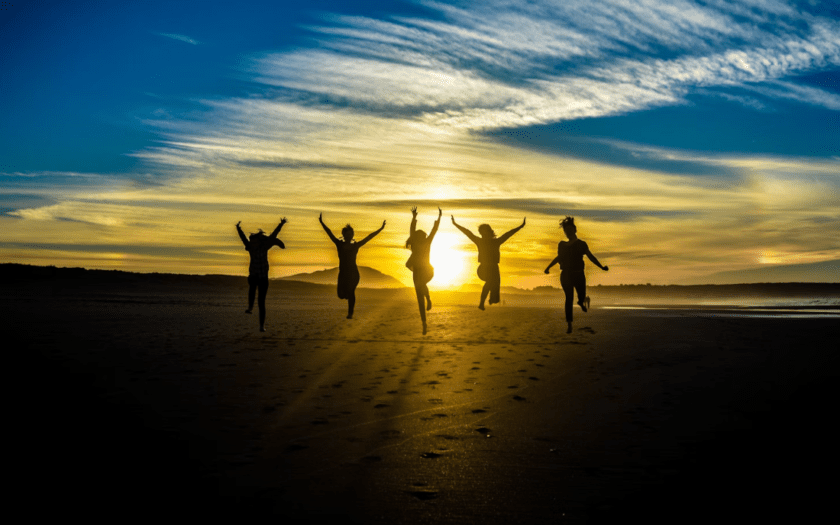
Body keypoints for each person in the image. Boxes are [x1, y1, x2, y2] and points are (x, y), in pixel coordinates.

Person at [544, 216, 608, 334]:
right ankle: (569, 324)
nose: (567, 233)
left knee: (582, 295)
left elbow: (591, 256)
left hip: (579, 274)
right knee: (569, 298)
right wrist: (548, 267)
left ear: (575, 230)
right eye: (566, 231)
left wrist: (601, 267)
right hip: (566, 275)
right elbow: (559, 258)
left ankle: (580, 302)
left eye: (569, 230)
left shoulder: (582, 244)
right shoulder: (562, 245)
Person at [319, 213, 386, 319]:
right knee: (341, 295)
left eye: (350, 234)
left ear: (352, 236)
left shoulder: (355, 246)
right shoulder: (339, 244)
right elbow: (330, 233)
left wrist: (381, 228)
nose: (349, 236)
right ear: (343, 235)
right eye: (347, 234)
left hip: (353, 274)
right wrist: (321, 222)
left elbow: (369, 237)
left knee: (351, 292)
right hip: (343, 274)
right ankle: (348, 296)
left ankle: (350, 313)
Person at [452, 215, 525, 310]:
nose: (482, 234)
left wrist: (520, 226)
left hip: (494, 268)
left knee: (494, 285)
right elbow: (467, 232)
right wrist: (455, 224)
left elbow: (508, 234)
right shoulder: (479, 241)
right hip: (483, 269)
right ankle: (482, 303)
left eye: (483, 231)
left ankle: (490, 300)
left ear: (488, 232)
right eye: (481, 232)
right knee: (490, 282)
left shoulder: (496, 242)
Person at [236, 218, 286, 332]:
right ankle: (250, 307)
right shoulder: (250, 248)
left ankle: (261, 326)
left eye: (253, 241)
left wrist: (281, 224)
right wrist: (238, 228)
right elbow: (243, 238)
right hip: (254, 276)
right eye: (251, 241)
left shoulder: (264, 247)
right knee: (252, 288)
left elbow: (273, 236)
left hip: (263, 278)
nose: (251, 243)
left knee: (261, 302)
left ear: (258, 241)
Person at [406, 206, 442, 334]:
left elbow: (434, 231)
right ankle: (424, 323)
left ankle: (428, 297)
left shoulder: (427, 242)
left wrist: (439, 219)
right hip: (417, 273)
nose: (422, 237)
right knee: (419, 299)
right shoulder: (415, 244)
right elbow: (412, 230)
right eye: (419, 235)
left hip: (427, 271)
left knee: (421, 285)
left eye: (422, 235)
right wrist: (414, 217)